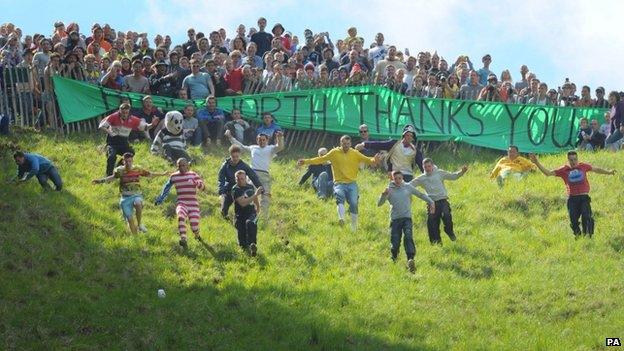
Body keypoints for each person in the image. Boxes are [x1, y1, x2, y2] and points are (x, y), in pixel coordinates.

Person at [298, 135, 381, 231]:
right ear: (340, 143)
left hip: (352, 183)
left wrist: (375, 159)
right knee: (340, 197)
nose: (346, 145)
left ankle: (354, 227)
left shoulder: (355, 153)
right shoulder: (334, 153)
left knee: (354, 203)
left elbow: (368, 160)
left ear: (350, 144)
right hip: (339, 183)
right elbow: (320, 159)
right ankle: (341, 219)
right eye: (344, 143)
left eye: (348, 144)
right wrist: (305, 161)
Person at [529, 152, 616, 238]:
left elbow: (596, 169)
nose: (573, 162)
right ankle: (578, 236)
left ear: (577, 159)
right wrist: (536, 162)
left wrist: (609, 172)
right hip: (572, 199)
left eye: (575, 159)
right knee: (573, 220)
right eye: (571, 160)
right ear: (568, 160)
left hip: (584, 197)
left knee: (587, 216)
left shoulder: (583, 166)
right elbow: (548, 173)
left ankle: (588, 236)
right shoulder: (564, 170)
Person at [92, 153, 165, 235]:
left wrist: (163, 174)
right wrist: (100, 181)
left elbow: (150, 174)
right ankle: (135, 238)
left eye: (130, 161)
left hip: (136, 195)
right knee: (130, 221)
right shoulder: (120, 170)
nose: (128, 163)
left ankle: (140, 224)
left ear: (132, 161)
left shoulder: (137, 169)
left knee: (138, 203)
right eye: (126, 161)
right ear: (123, 161)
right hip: (125, 198)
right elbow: (112, 177)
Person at [378, 171, 434, 272]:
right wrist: (383, 195)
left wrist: (431, 201)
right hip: (395, 220)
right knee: (395, 242)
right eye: (396, 179)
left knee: (408, 237)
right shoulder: (389, 190)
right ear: (393, 179)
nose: (398, 180)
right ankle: (394, 257)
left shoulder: (408, 187)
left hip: (407, 218)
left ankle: (410, 259)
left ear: (402, 178)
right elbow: (379, 204)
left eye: (400, 178)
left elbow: (420, 194)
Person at [225, 129, 284, 219]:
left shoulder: (271, 148)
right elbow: (240, 146)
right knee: (249, 194)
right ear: (257, 140)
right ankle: (248, 215)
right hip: (252, 174)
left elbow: (280, 147)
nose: (262, 141)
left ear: (267, 141)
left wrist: (280, 138)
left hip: (264, 175)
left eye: (264, 140)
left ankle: (263, 218)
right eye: (260, 140)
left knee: (266, 196)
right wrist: (230, 137)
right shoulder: (253, 148)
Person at [410, 159, 468, 244]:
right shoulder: (421, 178)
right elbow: (409, 185)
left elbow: (453, 176)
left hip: (443, 200)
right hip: (431, 203)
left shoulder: (439, 173)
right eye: (425, 167)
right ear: (423, 167)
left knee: (447, 216)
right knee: (432, 223)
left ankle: (449, 232)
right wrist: (397, 186)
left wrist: (462, 172)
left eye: (429, 166)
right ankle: (436, 242)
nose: (427, 168)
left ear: (432, 166)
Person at [155, 158, 206, 248]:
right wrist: (160, 199)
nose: (181, 168)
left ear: (187, 165)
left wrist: (195, 182)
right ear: (177, 166)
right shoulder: (174, 176)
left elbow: (203, 187)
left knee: (194, 227)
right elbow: (166, 188)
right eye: (179, 166)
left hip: (193, 204)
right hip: (182, 202)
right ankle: (183, 239)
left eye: (183, 165)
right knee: (180, 216)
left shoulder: (193, 174)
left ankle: (197, 235)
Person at [98, 103, 156, 176]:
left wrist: (152, 124)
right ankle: (109, 175)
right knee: (112, 156)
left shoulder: (133, 119)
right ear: (119, 111)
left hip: (123, 143)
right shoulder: (113, 116)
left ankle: (118, 168)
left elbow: (145, 127)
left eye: (126, 113)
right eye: (123, 113)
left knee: (131, 153)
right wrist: (110, 132)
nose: (124, 115)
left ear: (129, 112)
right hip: (112, 143)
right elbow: (101, 126)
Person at [355, 125, 424, 182]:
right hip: (395, 175)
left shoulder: (415, 150)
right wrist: (364, 144)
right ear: (403, 136)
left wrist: (428, 175)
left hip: (408, 175)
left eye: (411, 136)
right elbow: (379, 144)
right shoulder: (394, 144)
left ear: (413, 138)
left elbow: (421, 164)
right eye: (407, 135)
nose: (409, 137)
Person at [218, 145, 263, 219]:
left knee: (244, 207)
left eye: (237, 156)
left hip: (241, 189)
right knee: (223, 211)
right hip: (229, 190)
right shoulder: (225, 166)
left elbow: (253, 176)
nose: (235, 158)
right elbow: (221, 179)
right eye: (233, 157)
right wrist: (221, 192)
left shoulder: (244, 165)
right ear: (230, 155)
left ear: (239, 155)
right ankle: (227, 220)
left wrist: (260, 187)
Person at [232, 170, 263, 256]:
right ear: (235, 179)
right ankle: (247, 245)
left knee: (250, 223)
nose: (240, 181)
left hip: (251, 213)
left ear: (245, 178)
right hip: (240, 216)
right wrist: (256, 194)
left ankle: (253, 245)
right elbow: (243, 203)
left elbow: (254, 199)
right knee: (243, 245)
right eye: (238, 179)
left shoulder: (250, 187)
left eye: (242, 179)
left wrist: (258, 207)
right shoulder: (235, 189)